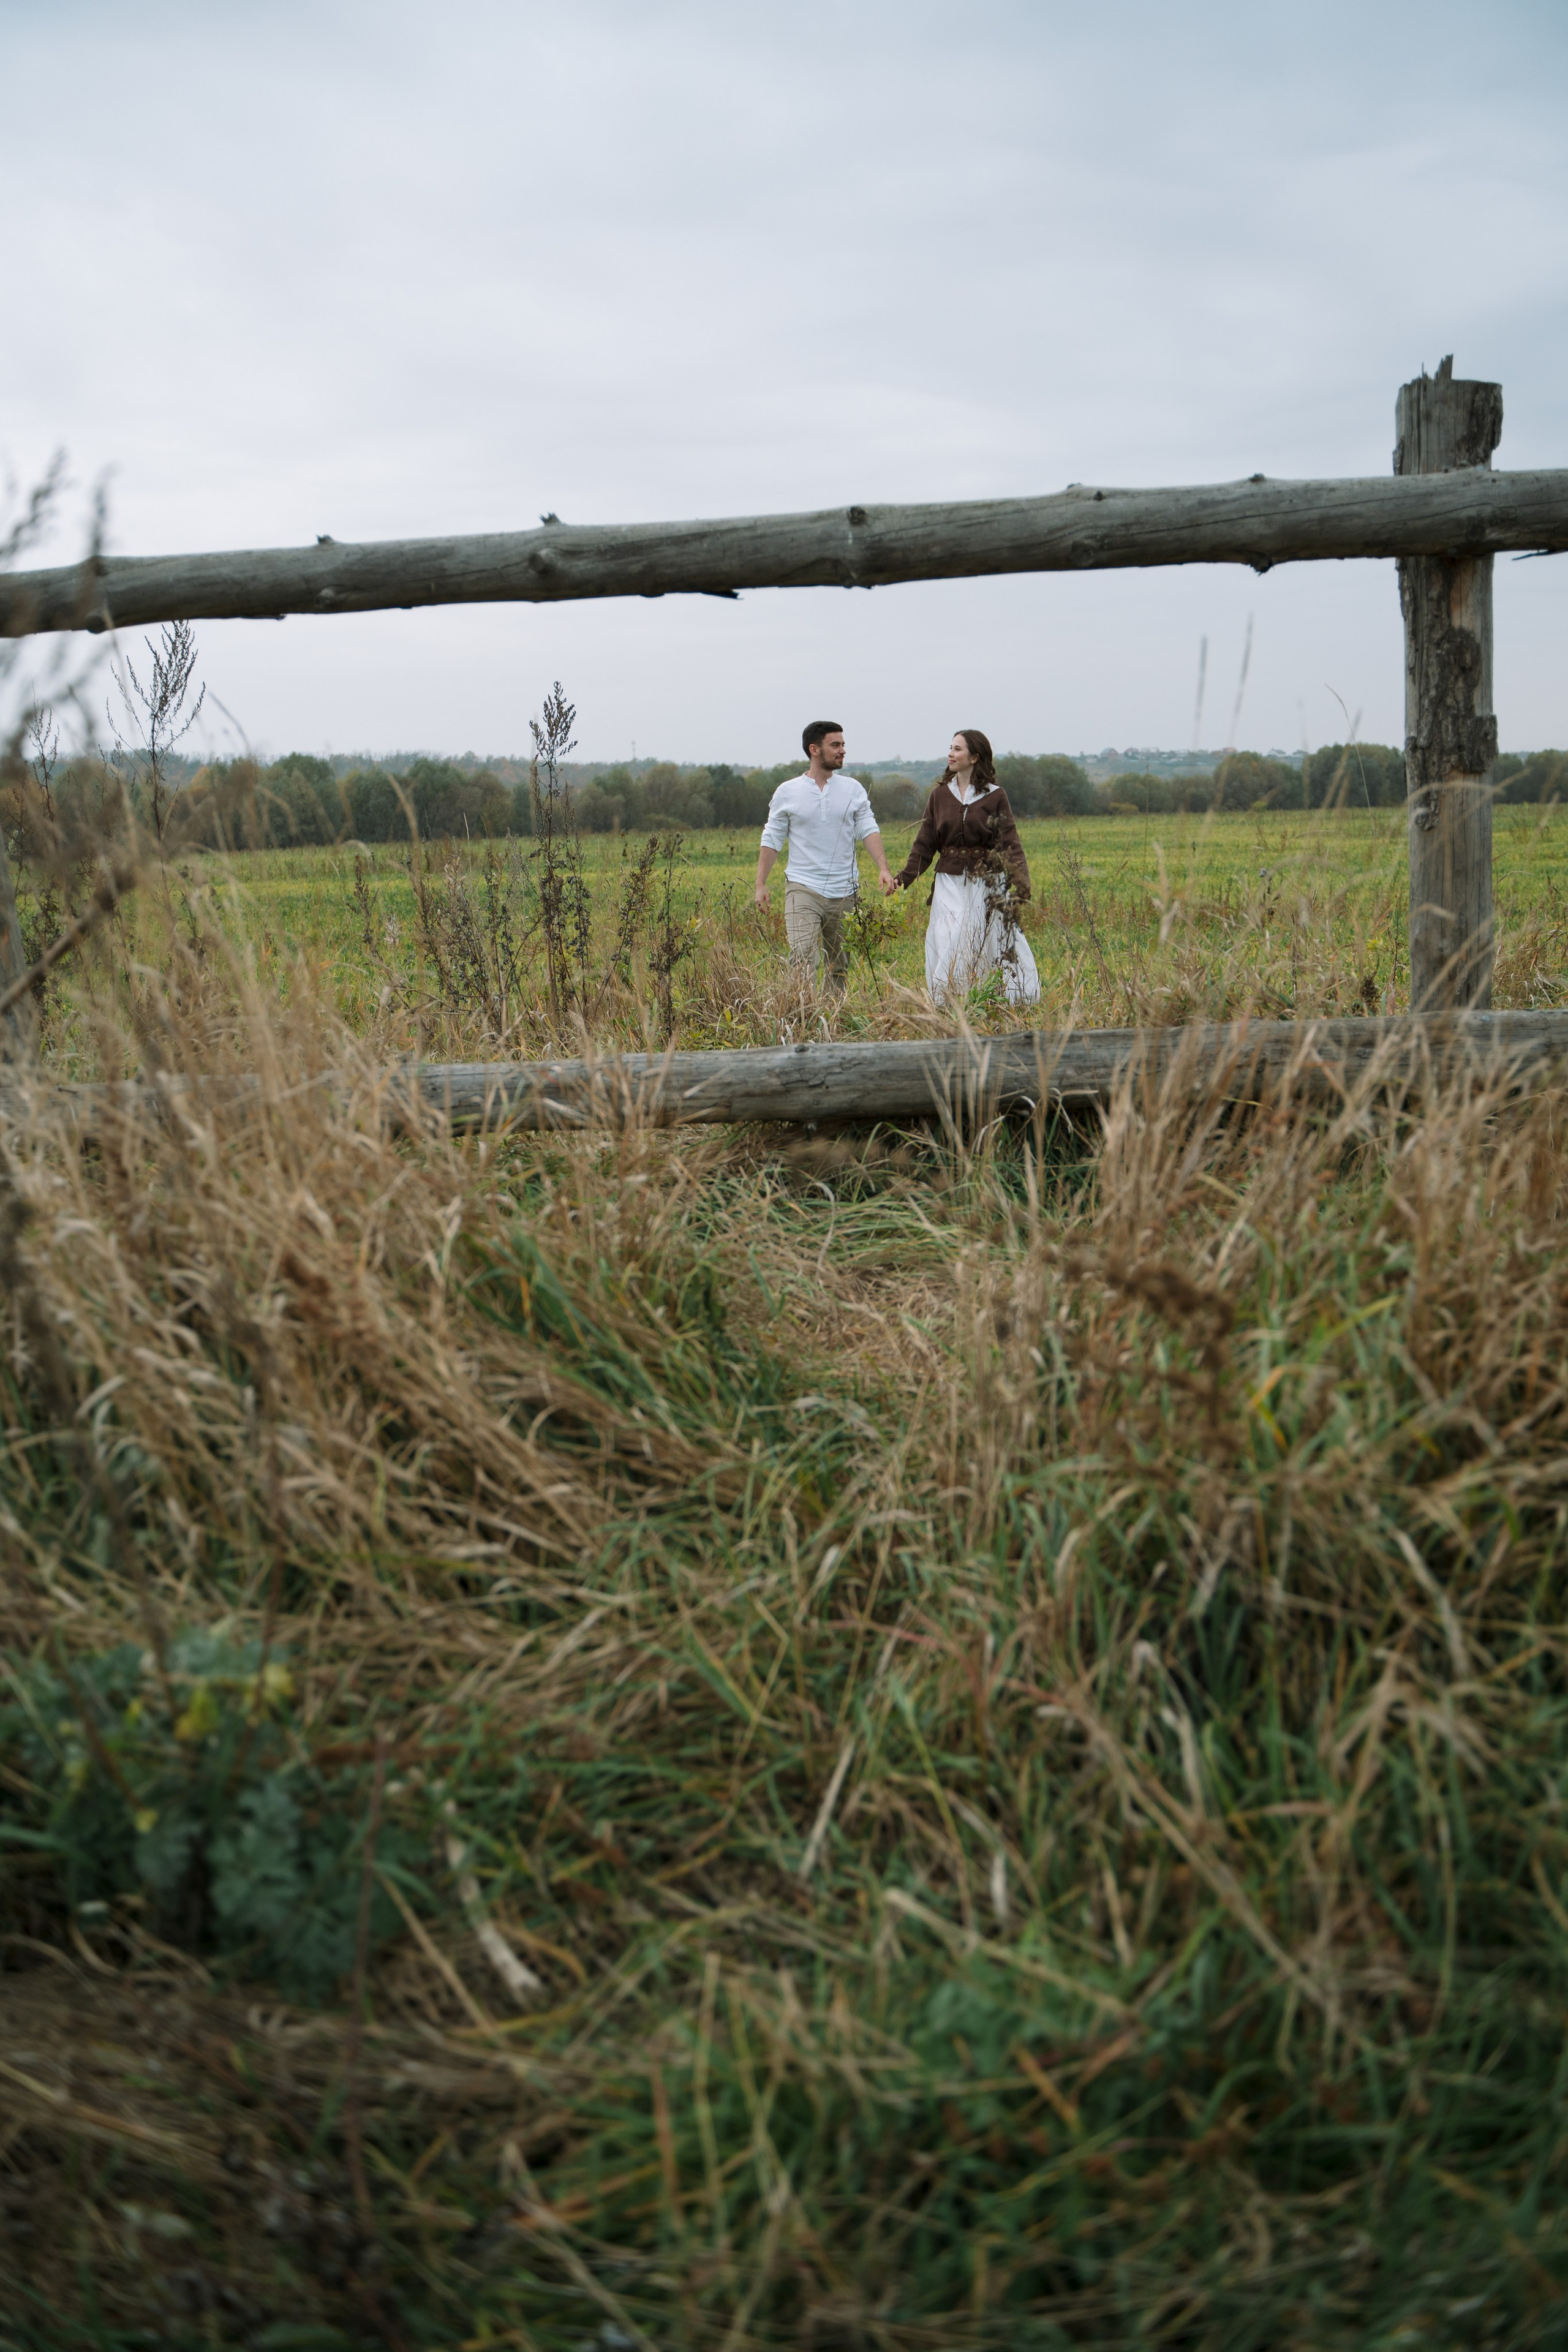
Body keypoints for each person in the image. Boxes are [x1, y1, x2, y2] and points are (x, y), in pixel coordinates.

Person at [891, 729, 1041, 1006]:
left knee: (989, 938)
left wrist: (1021, 883)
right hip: (948, 881)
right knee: (948, 935)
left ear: (975, 757)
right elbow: (925, 843)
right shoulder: (939, 795)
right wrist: (904, 878)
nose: (951, 754)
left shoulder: (995, 796)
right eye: (951, 748)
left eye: (957, 749)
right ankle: (947, 999)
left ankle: (998, 997)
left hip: (987, 881)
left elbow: (1010, 842)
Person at [755, 722, 894, 992]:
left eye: (843, 745)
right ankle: (802, 1014)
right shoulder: (787, 792)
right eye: (835, 745)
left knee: (839, 965)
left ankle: (833, 1016)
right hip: (802, 888)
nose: (843, 750)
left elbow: (868, 828)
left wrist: (884, 868)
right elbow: (772, 838)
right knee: (803, 959)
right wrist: (761, 883)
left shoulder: (853, 789)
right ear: (815, 749)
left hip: (845, 891)